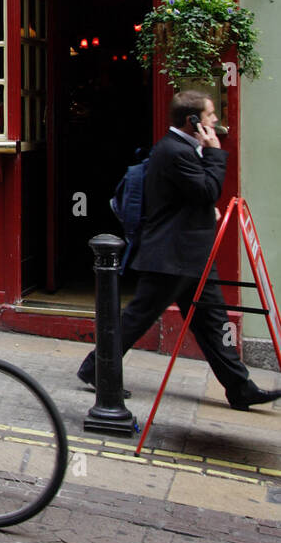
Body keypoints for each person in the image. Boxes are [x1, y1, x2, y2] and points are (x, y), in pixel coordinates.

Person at [77, 90, 281, 410]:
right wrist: (215, 152)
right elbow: (207, 191)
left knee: (212, 323)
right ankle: (95, 370)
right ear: (193, 120)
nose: (216, 121)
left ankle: (240, 388)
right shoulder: (175, 151)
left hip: (190, 254)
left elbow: (190, 198)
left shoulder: (182, 148)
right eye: (211, 115)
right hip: (171, 256)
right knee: (136, 319)